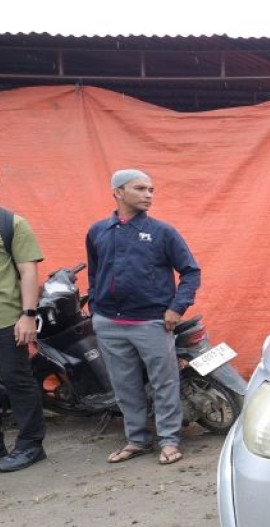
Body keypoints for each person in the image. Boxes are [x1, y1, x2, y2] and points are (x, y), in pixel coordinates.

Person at [86, 169, 201, 465]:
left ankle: (170, 440)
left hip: (151, 322)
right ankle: (137, 439)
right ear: (118, 192)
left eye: (151, 189)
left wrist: (177, 308)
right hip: (109, 323)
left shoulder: (163, 232)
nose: (148, 195)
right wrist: (96, 307)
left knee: (164, 382)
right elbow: (95, 272)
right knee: (124, 385)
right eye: (140, 189)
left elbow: (190, 271)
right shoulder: (98, 231)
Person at [0, 160, 47, 472]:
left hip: (5, 317)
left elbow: (28, 270)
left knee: (17, 380)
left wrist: (28, 315)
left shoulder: (10, 223)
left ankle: (30, 444)